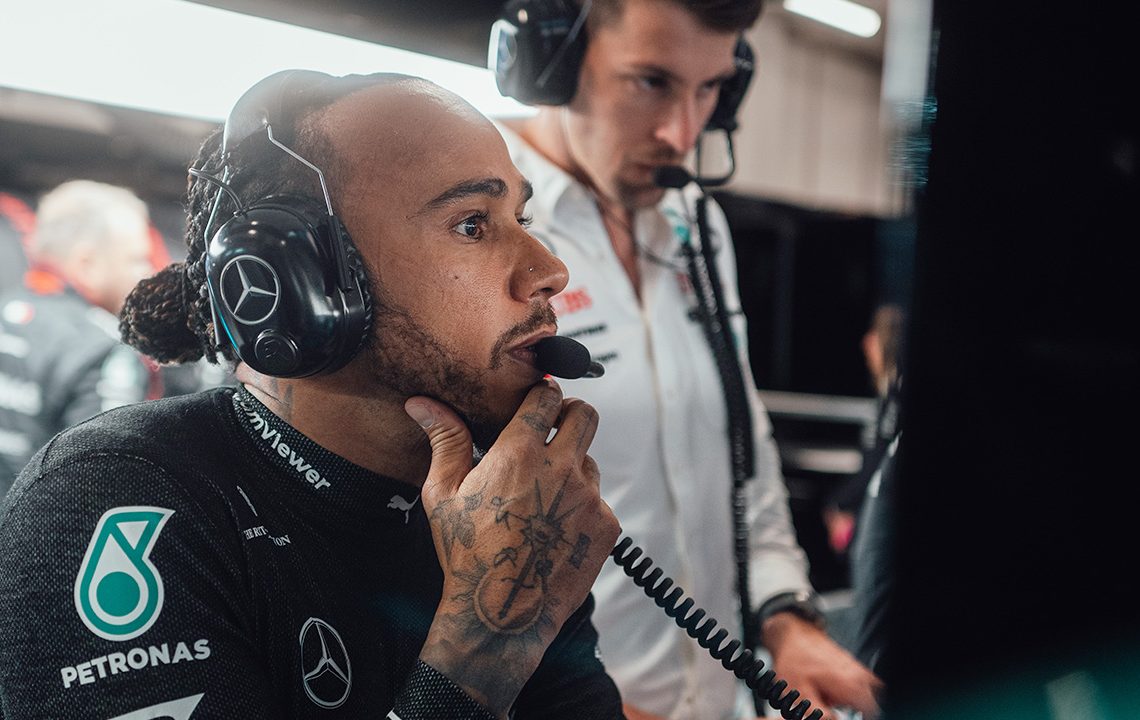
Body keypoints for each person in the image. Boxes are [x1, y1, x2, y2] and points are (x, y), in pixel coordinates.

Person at [0, 71, 624, 719]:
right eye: (471, 224)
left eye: (521, 218)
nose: (550, 271)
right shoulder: (114, 500)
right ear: (302, 285)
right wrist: (487, 637)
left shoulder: (506, 505)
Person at [491, 0, 883, 718]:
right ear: (555, 59)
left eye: (712, 89)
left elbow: (743, 455)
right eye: (652, 82)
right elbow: (441, 565)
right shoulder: (483, 230)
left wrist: (786, 620)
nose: (682, 132)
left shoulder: (696, 225)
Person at [0, 180, 159, 497]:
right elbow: (103, 479)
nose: (147, 274)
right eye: (136, 259)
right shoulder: (105, 348)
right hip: (41, 522)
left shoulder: (7, 309)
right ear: (87, 264)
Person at [823, 304, 905, 557]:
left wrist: (841, 504)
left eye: (875, 334)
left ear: (889, 342)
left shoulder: (897, 398)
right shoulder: (887, 397)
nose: (866, 343)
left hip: (880, 516)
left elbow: (880, 463)